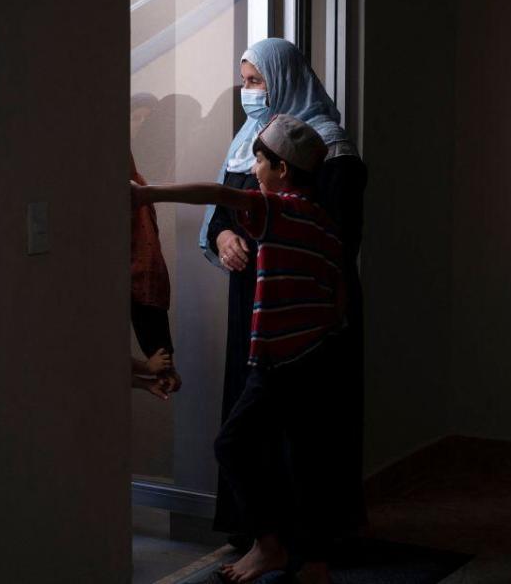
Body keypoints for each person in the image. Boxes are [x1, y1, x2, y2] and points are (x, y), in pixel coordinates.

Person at [134, 114, 346, 584]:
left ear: (283, 170)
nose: (252, 168)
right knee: (306, 462)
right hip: (314, 362)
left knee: (231, 445)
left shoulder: (278, 209)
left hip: (277, 367)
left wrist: (149, 194)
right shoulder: (323, 224)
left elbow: (217, 196)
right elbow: (337, 298)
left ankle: (269, 546)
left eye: (259, 159)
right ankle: (313, 563)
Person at [199, 38, 368, 541]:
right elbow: (225, 213)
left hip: (306, 309)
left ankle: (311, 543)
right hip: (251, 302)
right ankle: (257, 534)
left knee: (309, 428)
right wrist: (225, 235)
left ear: (286, 79)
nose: (248, 94)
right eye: (245, 82)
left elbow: (337, 238)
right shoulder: (248, 143)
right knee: (249, 424)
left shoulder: (327, 147)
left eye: (256, 82)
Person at [129, 150, 180, 399]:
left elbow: (148, 274)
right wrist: (151, 365)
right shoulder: (134, 191)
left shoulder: (136, 191)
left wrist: (160, 362)